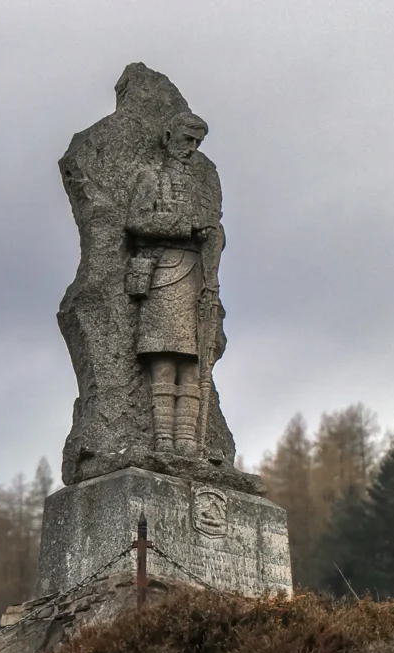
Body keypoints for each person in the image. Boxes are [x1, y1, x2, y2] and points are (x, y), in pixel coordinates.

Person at [125, 112, 225, 456]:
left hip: (197, 275)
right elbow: (136, 220)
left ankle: (187, 440)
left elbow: (214, 228)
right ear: (168, 136)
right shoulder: (152, 177)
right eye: (186, 140)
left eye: (197, 143)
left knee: (194, 361)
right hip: (164, 272)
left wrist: (211, 244)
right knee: (164, 357)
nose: (191, 148)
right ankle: (163, 438)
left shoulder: (203, 186)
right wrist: (186, 226)